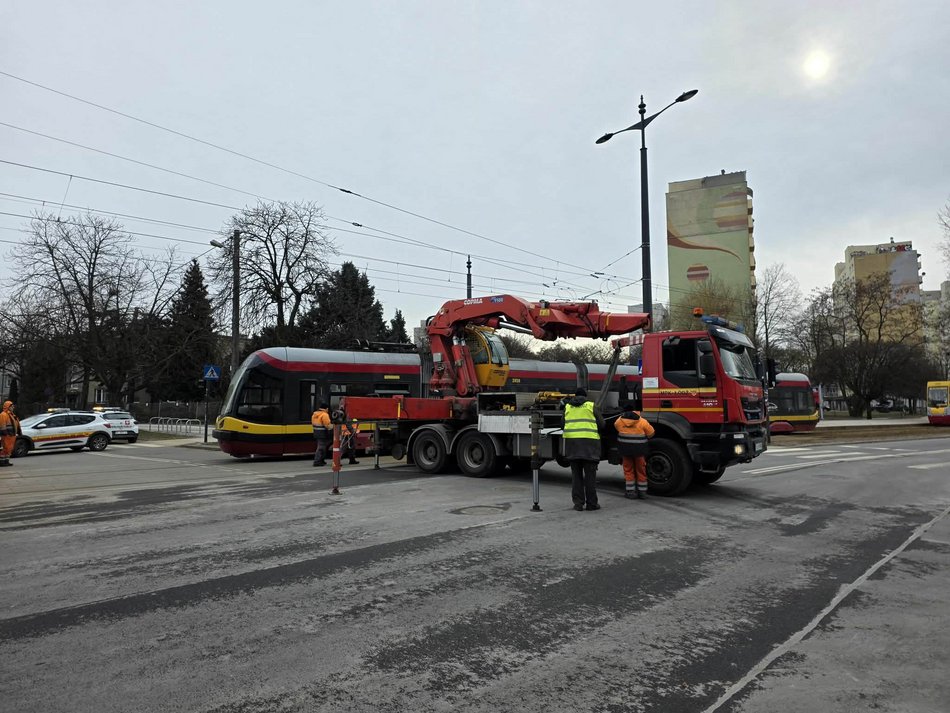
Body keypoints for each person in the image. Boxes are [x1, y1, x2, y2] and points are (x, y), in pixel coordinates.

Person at [563, 387, 604, 511]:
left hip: (573, 447)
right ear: (585, 397)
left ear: (575, 396)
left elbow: (562, 424)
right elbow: (602, 424)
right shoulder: (591, 406)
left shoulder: (568, 407)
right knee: (590, 478)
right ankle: (592, 504)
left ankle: (578, 504)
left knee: (576, 477)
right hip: (589, 447)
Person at [614, 401, 655, 499]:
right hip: (639, 451)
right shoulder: (642, 421)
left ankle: (630, 492)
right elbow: (651, 433)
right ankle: (642, 493)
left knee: (628, 470)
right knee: (641, 470)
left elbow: (616, 427)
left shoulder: (619, 421)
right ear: (636, 411)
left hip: (625, 451)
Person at [0, 400, 21, 467]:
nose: (13, 407)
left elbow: (16, 424)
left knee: (9, 449)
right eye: (12, 406)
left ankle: (6, 461)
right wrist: (5, 433)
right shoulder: (3, 414)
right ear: (8, 407)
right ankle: (2, 462)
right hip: (7, 435)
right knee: (6, 448)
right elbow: (2, 425)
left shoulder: (12, 415)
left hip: (11, 435)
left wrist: (19, 431)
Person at [311, 401, 332, 467]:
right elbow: (327, 425)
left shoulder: (315, 414)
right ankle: (317, 461)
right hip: (323, 433)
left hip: (316, 433)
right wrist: (334, 426)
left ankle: (321, 460)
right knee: (321, 447)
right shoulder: (324, 415)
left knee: (322, 446)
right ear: (326, 409)